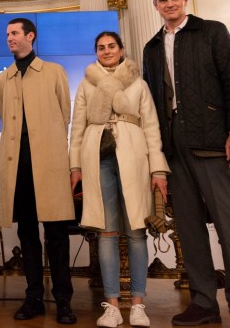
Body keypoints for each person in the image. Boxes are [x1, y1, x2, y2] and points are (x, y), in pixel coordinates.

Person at [141, 0, 230, 328]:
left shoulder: (212, 31)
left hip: (212, 146)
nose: (170, 4)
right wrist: (157, 161)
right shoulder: (150, 47)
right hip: (174, 152)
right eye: (163, 0)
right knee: (189, 233)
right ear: (155, 5)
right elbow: (152, 105)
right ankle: (204, 302)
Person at [69, 31, 169, 328]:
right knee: (107, 231)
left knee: (137, 230)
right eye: (101, 47)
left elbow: (151, 127)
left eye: (111, 46)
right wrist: (74, 166)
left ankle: (138, 303)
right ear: (95, 52)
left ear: (121, 49)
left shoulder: (138, 83)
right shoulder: (87, 84)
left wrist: (158, 169)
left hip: (134, 157)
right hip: (97, 157)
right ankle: (111, 304)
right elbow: (77, 128)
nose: (106, 51)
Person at [0, 18, 77, 325]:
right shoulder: (2, 79)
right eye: (7, 35)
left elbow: (64, 115)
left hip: (51, 164)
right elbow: (6, 116)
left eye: (14, 33)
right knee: (27, 234)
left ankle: (64, 301)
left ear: (31, 36)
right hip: (19, 167)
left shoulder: (55, 72)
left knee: (57, 235)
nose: (9, 38)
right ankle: (33, 298)